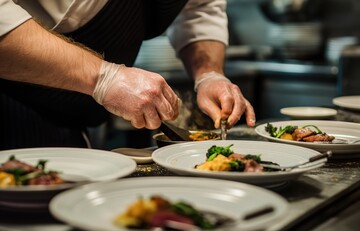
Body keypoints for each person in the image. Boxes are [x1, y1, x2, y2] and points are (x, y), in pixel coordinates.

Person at [0, 0, 256, 150]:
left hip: (75, 117)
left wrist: (209, 74)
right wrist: (104, 78)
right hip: (14, 100)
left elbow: (199, 9)